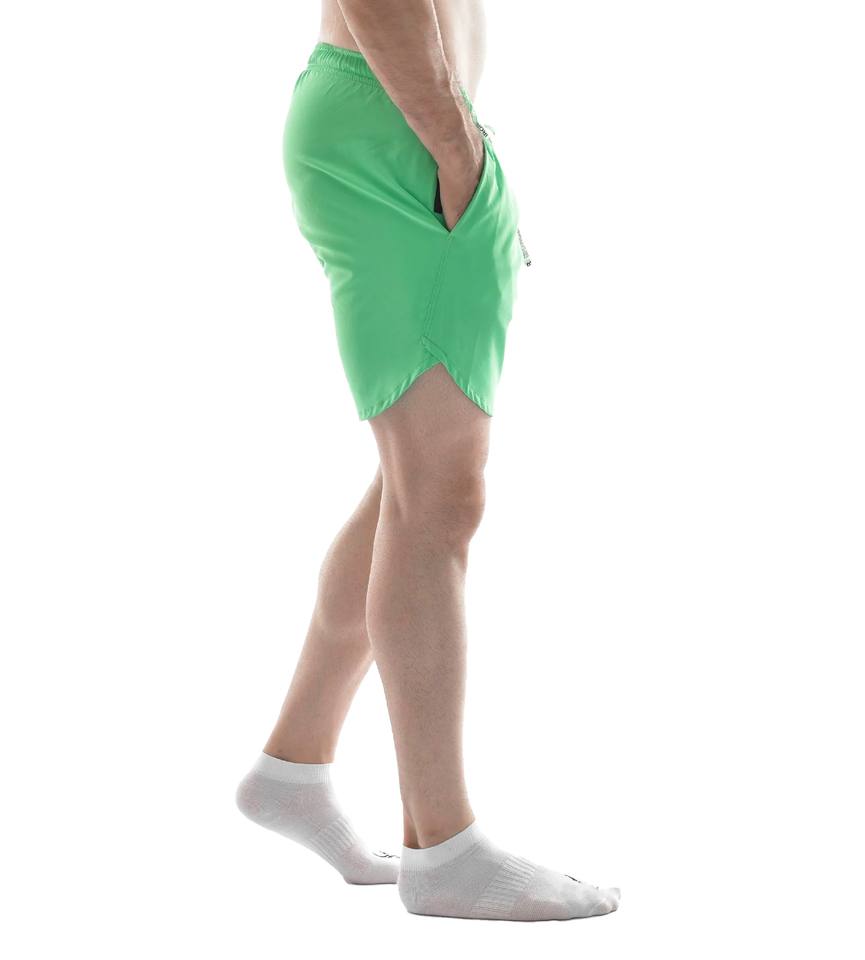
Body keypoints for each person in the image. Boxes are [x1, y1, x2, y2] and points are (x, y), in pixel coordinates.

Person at [236, 0, 620, 921]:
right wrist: (460, 156)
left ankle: (294, 766)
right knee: (438, 496)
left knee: (415, 488)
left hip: (398, 121)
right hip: (403, 132)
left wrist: (461, 150)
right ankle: (444, 849)